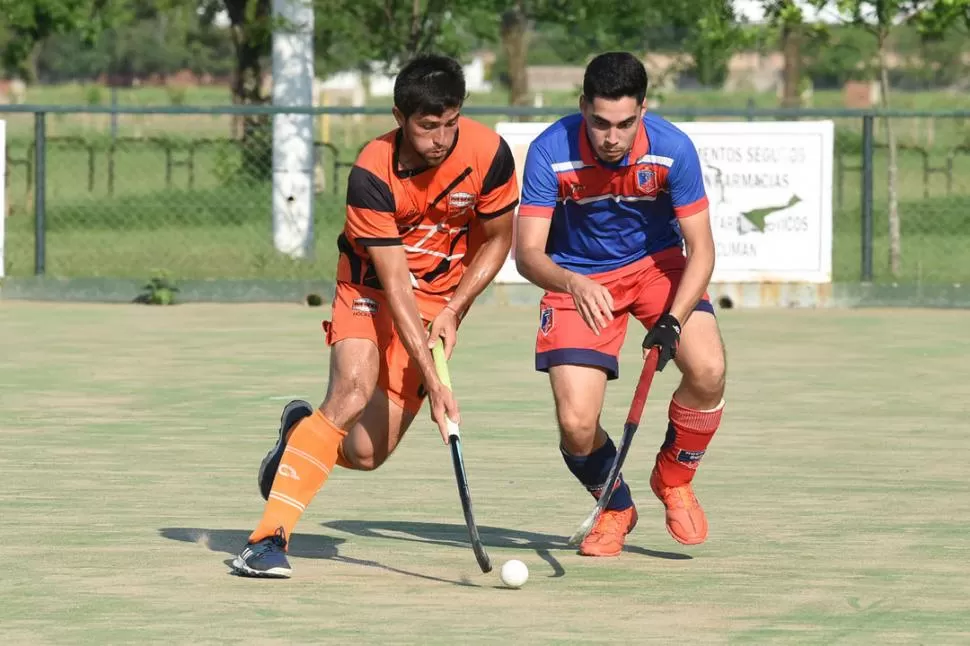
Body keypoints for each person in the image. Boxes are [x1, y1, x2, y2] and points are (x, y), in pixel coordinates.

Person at [231, 54, 519, 578]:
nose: (441, 138)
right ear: (399, 117)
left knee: (364, 453)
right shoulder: (372, 172)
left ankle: (301, 434)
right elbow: (394, 285)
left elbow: (500, 240)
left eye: (450, 122)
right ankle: (266, 539)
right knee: (351, 393)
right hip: (368, 285)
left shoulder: (489, 153)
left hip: (437, 297)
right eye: (428, 126)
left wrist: (456, 308)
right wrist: (433, 381)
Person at [514, 51, 726, 557]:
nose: (612, 137)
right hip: (578, 278)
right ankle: (614, 506)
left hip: (656, 267)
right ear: (583, 106)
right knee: (576, 424)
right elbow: (527, 255)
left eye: (626, 124)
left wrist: (673, 321)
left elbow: (703, 250)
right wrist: (571, 282)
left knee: (709, 369)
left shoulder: (673, 149)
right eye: (601, 122)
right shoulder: (550, 150)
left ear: (643, 110)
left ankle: (673, 477)